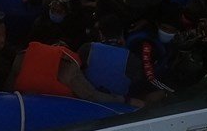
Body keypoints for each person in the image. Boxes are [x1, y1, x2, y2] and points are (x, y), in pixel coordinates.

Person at [8, 40, 140, 105]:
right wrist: (126, 100)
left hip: (14, 92)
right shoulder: (72, 72)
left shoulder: (25, 53)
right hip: (22, 99)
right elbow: (92, 96)